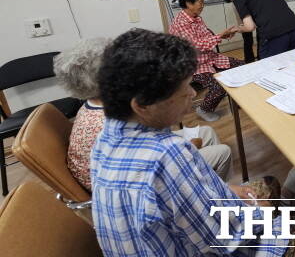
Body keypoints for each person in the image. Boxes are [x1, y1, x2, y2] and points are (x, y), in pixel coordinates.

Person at [91, 29, 288, 256]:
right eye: (184, 89)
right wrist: (260, 210)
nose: (193, 94)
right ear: (142, 105)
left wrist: (226, 191)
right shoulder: (167, 155)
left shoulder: (105, 137)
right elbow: (227, 241)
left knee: (267, 187)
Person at [54, 38, 233, 190]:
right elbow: (159, 162)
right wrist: (191, 146)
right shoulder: (118, 121)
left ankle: (213, 189)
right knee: (222, 152)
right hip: (135, 186)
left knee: (207, 132)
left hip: (121, 172)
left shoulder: (93, 105)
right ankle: (210, 198)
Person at [169, 0, 242, 122]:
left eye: (203, 2)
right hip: (193, 65)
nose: (203, 5)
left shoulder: (196, 17)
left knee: (242, 67)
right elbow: (195, 46)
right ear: (189, 3)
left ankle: (237, 100)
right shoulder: (181, 23)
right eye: (200, 2)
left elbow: (206, 38)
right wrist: (220, 36)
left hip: (208, 58)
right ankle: (204, 109)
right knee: (220, 84)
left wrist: (223, 36)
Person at [222, 0, 295, 59]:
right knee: (293, 63)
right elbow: (261, 19)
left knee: (268, 67)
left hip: (274, 35)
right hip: (294, 29)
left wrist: (236, 29)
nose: (233, 1)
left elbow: (250, 27)